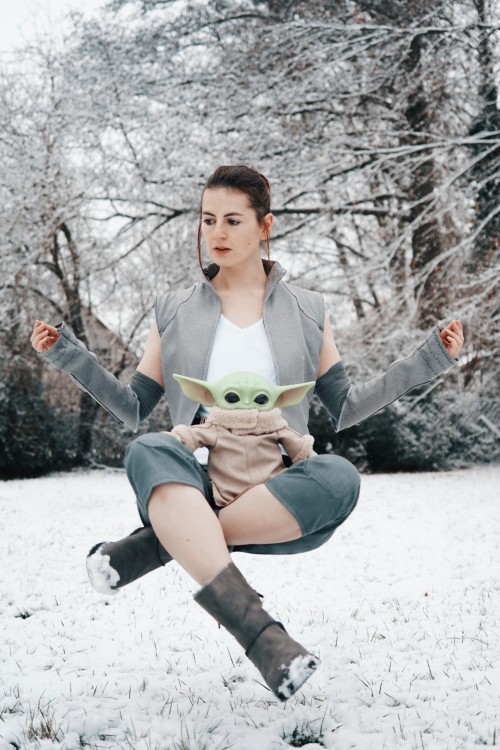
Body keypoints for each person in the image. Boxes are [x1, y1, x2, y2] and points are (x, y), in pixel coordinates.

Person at [31, 164, 464, 701]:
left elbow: (347, 405)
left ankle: (157, 544)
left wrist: (428, 359)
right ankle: (264, 639)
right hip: (193, 483)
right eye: (208, 219)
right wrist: (67, 354)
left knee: (341, 478)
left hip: (276, 492)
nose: (216, 232)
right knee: (149, 448)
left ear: (265, 225)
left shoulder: (308, 309)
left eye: (233, 220)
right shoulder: (174, 309)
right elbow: (134, 406)